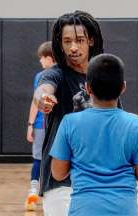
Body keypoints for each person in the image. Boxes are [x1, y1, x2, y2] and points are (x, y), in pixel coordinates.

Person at [49, 53, 138, 215]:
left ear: (88, 87)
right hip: (124, 210)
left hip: (83, 210)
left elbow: (57, 173)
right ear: (123, 87)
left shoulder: (69, 122)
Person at [32, 11, 104, 215]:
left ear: (90, 40)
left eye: (79, 40)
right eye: (67, 41)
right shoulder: (55, 74)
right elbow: (43, 89)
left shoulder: (103, 77)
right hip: (61, 181)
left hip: (99, 179)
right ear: (60, 44)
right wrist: (42, 99)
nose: (73, 47)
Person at [25, 41, 55, 211]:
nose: (40, 62)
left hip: (42, 124)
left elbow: (35, 103)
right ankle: (51, 192)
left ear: (49, 59)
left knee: (38, 158)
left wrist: (30, 124)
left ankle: (33, 193)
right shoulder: (65, 74)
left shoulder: (42, 76)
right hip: (57, 124)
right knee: (57, 158)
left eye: (42, 59)